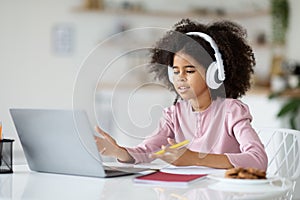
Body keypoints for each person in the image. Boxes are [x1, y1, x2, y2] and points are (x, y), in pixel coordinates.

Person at [94, 18, 268, 170]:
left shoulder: (231, 111)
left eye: (189, 70)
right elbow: (147, 151)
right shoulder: (174, 115)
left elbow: (258, 159)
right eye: (176, 71)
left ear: (214, 74)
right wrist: (120, 152)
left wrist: (195, 158)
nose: (180, 78)